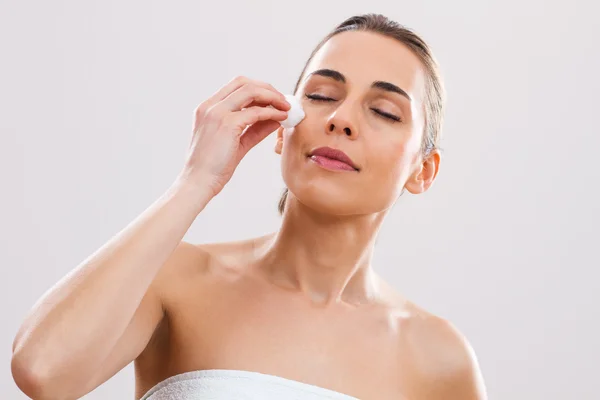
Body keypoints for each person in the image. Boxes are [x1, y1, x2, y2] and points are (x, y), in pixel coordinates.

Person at [11, 13, 487, 400]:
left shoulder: (439, 360)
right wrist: (195, 182)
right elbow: (43, 373)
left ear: (423, 170)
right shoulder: (179, 280)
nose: (341, 119)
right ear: (284, 129)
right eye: (321, 96)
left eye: (384, 111)